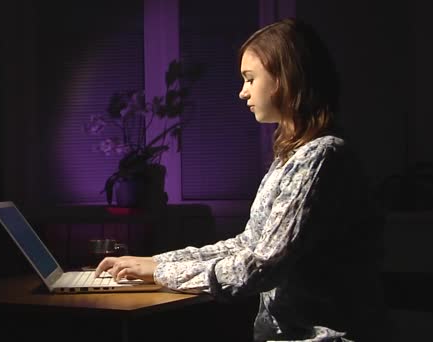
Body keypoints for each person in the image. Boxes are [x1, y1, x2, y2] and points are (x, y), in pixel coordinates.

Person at [95, 18, 388, 342]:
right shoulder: (292, 157)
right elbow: (248, 244)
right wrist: (156, 262)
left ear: (285, 79)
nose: (242, 92)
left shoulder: (322, 157)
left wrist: (161, 273)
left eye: (250, 79)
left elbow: (262, 266)